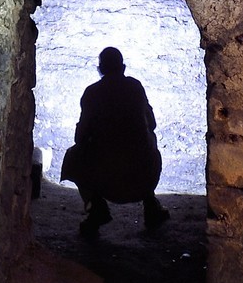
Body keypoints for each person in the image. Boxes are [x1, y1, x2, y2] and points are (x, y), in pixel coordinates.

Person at [59, 46, 170, 236]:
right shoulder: (135, 87)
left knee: (73, 155)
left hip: (106, 177)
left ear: (100, 69)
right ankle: (151, 205)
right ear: (123, 67)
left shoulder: (92, 93)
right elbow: (152, 123)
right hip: (142, 175)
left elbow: (80, 137)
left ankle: (96, 209)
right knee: (147, 140)